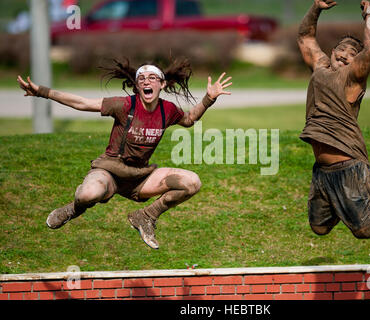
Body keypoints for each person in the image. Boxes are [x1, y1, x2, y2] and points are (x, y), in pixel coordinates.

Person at [17, 58, 232, 249]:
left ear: (162, 84)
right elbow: (82, 103)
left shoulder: (168, 110)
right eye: (142, 79)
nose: (147, 82)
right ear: (137, 86)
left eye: (152, 78)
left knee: (192, 182)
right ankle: (73, 209)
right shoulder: (124, 105)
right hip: (109, 172)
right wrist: (43, 92)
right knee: (87, 195)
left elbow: (188, 119)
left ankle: (145, 217)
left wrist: (209, 98)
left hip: (140, 177)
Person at [297, 0, 370, 239]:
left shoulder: (353, 78)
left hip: (348, 166)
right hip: (322, 170)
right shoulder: (320, 67)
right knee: (319, 227)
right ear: (332, 52)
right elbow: (305, 37)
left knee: (365, 229)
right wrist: (316, 8)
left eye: (352, 54)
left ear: (356, 62)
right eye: (342, 49)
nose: (345, 55)